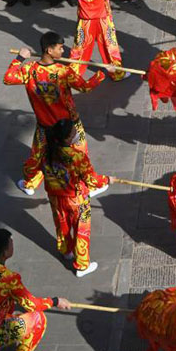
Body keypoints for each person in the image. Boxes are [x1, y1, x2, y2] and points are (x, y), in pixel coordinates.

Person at [4, 32, 120, 194]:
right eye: (60, 48)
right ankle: (92, 185)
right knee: (80, 155)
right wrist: (102, 73)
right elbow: (85, 87)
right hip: (69, 124)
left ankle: (30, 184)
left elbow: (8, 78)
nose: (63, 51)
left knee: (37, 156)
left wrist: (20, 58)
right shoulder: (63, 71)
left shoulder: (30, 70)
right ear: (49, 50)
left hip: (45, 126)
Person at [43, 119, 115, 277]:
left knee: (61, 223)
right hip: (75, 198)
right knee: (82, 228)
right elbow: (92, 180)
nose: (77, 133)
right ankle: (82, 264)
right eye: (74, 131)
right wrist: (108, 180)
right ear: (68, 138)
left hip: (55, 196)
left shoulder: (45, 150)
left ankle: (66, 250)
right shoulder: (77, 156)